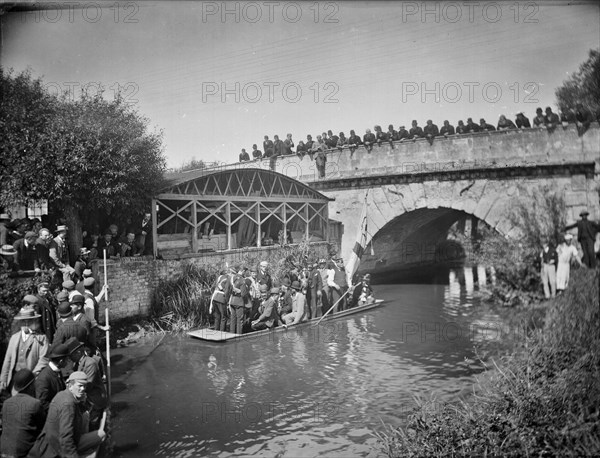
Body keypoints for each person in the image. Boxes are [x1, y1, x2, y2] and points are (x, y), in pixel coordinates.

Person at [31, 371, 106, 458]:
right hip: (59, 448)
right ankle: (83, 454)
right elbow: (66, 437)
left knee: (85, 415)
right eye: (80, 386)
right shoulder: (69, 404)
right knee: (102, 434)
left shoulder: (61, 394)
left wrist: (81, 401)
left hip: (50, 442)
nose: (83, 389)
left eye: (84, 386)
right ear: (70, 386)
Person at [0, 307, 49, 392]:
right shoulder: (14, 338)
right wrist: (3, 379)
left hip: (31, 382)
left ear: (33, 321)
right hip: (14, 381)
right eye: (23, 321)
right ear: (20, 322)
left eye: (29, 321)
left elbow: (44, 359)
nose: (26, 324)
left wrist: (32, 375)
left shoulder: (41, 338)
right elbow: (7, 360)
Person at [1, 368, 44, 458]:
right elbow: (42, 429)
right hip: (25, 452)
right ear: (31, 385)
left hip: (4, 450)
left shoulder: (6, 403)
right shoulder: (35, 404)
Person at [68, 338, 107, 428]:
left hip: (95, 399)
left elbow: (88, 385)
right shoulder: (77, 363)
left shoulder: (90, 363)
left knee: (93, 424)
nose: (70, 358)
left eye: (71, 355)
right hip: (87, 398)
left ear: (78, 352)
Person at [35, 343, 69, 416]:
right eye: (67, 359)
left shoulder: (58, 371)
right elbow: (42, 402)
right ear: (61, 361)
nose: (68, 362)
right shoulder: (44, 377)